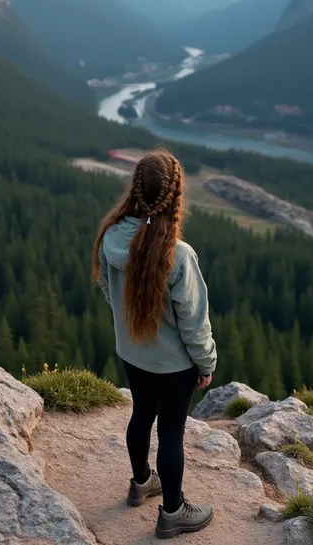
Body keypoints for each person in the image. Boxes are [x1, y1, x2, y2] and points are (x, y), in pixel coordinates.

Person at [92, 150, 217, 539]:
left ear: (136, 190)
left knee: (141, 415)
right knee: (172, 433)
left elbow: (110, 294)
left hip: (131, 353)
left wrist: (130, 331)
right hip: (174, 365)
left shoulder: (111, 236)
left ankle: (141, 482)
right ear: (174, 197)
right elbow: (194, 325)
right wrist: (206, 364)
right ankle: (173, 512)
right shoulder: (178, 256)